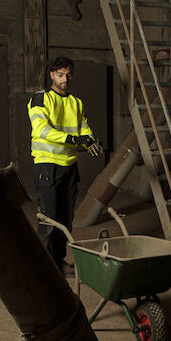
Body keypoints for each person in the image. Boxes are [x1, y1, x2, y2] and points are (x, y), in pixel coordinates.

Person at [28, 56, 102, 274]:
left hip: (69, 167)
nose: (65, 79)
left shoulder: (76, 102)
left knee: (65, 219)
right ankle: (43, 270)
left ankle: (58, 262)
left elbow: (84, 127)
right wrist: (73, 140)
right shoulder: (40, 98)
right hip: (47, 166)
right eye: (60, 75)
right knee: (49, 220)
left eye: (68, 75)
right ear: (51, 74)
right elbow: (41, 129)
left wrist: (89, 140)